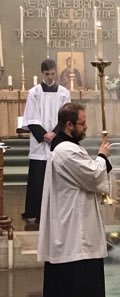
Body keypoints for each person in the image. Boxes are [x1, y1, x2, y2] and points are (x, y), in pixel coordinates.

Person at [38, 103, 112, 297]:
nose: (86, 127)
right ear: (69, 125)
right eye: (82, 123)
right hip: (74, 218)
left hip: (71, 212)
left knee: (73, 258)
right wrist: (102, 156)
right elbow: (92, 175)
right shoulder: (66, 150)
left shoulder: (65, 147)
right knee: (77, 257)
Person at [21, 59, 71, 224]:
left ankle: (57, 212)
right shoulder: (34, 92)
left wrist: (54, 133)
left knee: (57, 177)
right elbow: (31, 117)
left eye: (52, 73)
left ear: (56, 72)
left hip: (56, 141)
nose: (50, 77)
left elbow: (66, 117)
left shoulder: (64, 93)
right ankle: (35, 211)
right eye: (47, 74)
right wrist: (44, 135)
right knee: (38, 178)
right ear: (42, 73)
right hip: (40, 142)